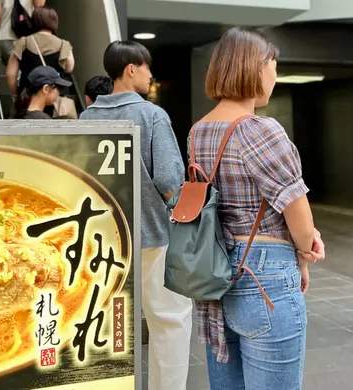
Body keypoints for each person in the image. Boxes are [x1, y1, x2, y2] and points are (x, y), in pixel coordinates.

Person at [193, 27, 325, 390]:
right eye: (273, 66)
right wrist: (305, 249)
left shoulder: (198, 131)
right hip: (265, 276)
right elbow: (298, 213)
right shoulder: (261, 130)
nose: (275, 76)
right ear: (252, 67)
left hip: (216, 273)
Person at [80, 41, 193, 390]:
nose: (150, 74)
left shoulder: (87, 117)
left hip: (102, 240)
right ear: (131, 69)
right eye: (147, 68)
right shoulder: (152, 115)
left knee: (111, 321)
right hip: (151, 234)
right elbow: (170, 181)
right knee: (169, 319)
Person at [6, 7, 74, 98]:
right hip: (52, 96)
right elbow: (69, 69)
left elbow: (10, 74)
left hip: (28, 95)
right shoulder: (63, 45)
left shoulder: (23, 42)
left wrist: (15, 94)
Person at [0, 0, 46, 65]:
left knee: (10, 68)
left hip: (4, 36)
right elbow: (40, 9)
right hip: (24, 38)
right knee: (19, 72)